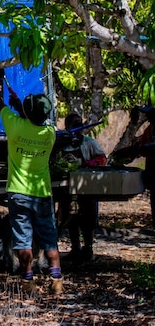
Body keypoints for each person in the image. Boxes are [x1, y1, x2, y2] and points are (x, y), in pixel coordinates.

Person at [0, 67, 63, 295]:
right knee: (49, 240)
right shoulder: (50, 134)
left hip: (18, 192)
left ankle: (28, 282)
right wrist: (20, 106)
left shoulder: (14, 127)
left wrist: (0, 79)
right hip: (42, 193)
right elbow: (33, 120)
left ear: (25, 112)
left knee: (23, 241)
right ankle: (56, 281)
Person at [53, 112, 107, 266]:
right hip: (67, 189)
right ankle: (75, 248)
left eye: (78, 124)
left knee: (88, 220)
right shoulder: (62, 143)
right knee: (70, 220)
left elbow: (102, 158)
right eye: (73, 125)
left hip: (87, 188)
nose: (76, 128)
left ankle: (88, 249)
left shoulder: (89, 142)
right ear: (67, 127)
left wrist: (89, 164)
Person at [111, 105, 155, 229]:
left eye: (151, 114)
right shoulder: (150, 129)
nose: (147, 117)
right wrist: (127, 155)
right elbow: (140, 146)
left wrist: (137, 149)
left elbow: (147, 148)